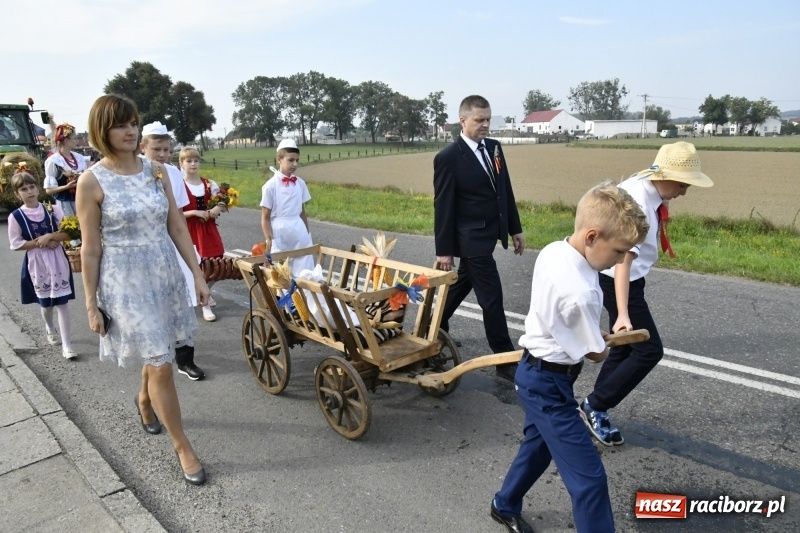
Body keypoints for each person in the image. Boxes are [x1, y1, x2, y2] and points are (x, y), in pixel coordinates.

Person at [491, 181, 649, 533]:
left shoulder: (556, 249)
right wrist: (607, 343)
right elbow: (596, 354)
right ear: (592, 236)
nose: (623, 260)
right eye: (621, 251)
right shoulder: (578, 295)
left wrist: (593, 333)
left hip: (537, 372)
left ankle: (504, 504)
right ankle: (505, 504)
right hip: (548, 384)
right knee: (589, 479)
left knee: (539, 446)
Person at [76, 94, 209, 485]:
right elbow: (90, 247)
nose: (130, 131)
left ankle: (144, 400)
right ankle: (182, 444)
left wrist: (197, 275)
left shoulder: (156, 170)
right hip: (124, 282)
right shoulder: (91, 181)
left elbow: (177, 227)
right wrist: (90, 303)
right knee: (162, 363)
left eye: (133, 122)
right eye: (120, 124)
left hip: (163, 273)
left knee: (159, 355)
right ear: (103, 130)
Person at [579, 142, 714, 446]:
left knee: (626, 348)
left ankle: (594, 405)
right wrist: (624, 314)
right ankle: (594, 405)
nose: (684, 192)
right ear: (665, 176)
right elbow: (624, 260)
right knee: (649, 349)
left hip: (623, 278)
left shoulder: (647, 187)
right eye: (682, 184)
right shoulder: (639, 199)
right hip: (618, 279)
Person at [433, 94, 524, 381]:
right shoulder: (447, 158)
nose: (485, 125)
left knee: (461, 286)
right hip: (470, 239)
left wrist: (514, 228)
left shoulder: (495, 149)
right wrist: (444, 251)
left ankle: (432, 328)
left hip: (488, 234)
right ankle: (504, 359)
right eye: (479, 120)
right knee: (492, 299)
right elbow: (443, 207)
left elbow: (504, 190)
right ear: (463, 121)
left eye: (488, 119)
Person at [139, 122, 206, 381]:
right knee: (154, 306)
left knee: (183, 303)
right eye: (157, 149)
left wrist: (190, 253)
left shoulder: (173, 174)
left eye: (168, 149)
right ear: (143, 146)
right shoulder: (135, 172)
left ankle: (186, 360)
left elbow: (177, 215)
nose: (164, 155)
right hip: (147, 246)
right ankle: (156, 362)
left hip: (173, 243)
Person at [6, 163, 77, 360]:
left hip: (57, 260)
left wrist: (52, 236)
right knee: (46, 305)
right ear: (17, 194)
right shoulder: (16, 216)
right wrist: (41, 242)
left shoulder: (52, 209)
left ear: (37, 188)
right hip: (37, 263)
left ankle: (68, 346)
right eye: (23, 189)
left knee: (62, 303)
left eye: (31, 187)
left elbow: (69, 232)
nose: (29, 191)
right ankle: (49, 326)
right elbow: (16, 244)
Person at [179, 146, 226, 322]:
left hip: (208, 229)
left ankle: (205, 290)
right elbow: (173, 213)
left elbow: (223, 201)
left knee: (217, 265)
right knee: (197, 266)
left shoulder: (208, 183)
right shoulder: (179, 185)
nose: (193, 164)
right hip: (189, 231)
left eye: (196, 160)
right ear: (181, 164)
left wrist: (216, 207)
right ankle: (204, 303)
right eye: (188, 161)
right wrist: (193, 213)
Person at [260, 138, 314, 274]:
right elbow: (265, 217)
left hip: (298, 230)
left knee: (305, 269)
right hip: (280, 231)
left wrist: (307, 234)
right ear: (279, 159)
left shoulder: (300, 183)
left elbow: (302, 212)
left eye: (297, 161)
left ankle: (305, 295)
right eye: (290, 160)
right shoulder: (270, 186)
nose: (294, 164)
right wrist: (269, 240)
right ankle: (284, 295)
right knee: (283, 272)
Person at [43, 123, 85, 216]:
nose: (76, 141)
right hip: (65, 204)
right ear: (66, 140)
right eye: (74, 138)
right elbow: (49, 190)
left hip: (82, 201)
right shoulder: (53, 161)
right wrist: (67, 187)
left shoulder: (80, 158)